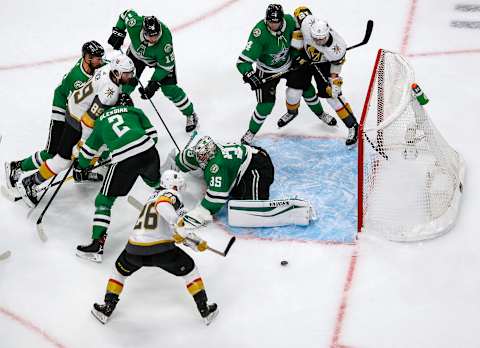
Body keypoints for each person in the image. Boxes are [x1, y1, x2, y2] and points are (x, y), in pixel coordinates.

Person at [91, 170, 218, 326]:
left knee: (118, 272)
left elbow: (175, 231)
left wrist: (194, 241)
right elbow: (165, 208)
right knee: (190, 270)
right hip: (162, 251)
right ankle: (204, 309)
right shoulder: (171, 194)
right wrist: (177, 224)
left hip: (133, 251)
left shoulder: (152, 197)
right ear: (174, 185)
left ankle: (107, 308)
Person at [17, 54, 136, 208]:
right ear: (117, 73)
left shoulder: (107, 68)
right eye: (127, 74)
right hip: (78, 119)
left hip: (75, 105)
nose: (130, 76)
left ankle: (83, 170)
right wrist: (82, 145)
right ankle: (30, 183)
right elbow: (89, 120)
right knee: (65, 160)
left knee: (98, 145)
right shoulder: (110, 92)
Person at [4, 41, 105, 195]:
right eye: (98, 58)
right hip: (64, 108)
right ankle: (17, 167)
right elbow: (78, 107)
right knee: (53, 152)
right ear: (87, 58)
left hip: (76, 111)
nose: (101, 61)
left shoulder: (95, 67)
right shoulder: (77, 78)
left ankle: (82, 170)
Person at [75, 94, 161, 263]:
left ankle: (96, 245)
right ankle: (174, 208)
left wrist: (81, 165)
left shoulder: (101, 121)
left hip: (125, 161)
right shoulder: (135, 111)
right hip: (149, 152)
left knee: (104, 200)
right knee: (155, 184)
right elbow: (154, 136)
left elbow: (86, 155)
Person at [237, 4, 332, 145]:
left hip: (290, 64)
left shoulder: (290, 21)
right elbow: (242, 62)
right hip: (267, 70)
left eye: (276, 22)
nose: (273, 25)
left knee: (307, 90)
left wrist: (309, 51)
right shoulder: (259, 33)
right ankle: (251, 132)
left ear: (281, 20)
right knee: (265, 106)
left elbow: (307, 33)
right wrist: (250, 75)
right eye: (270, 22)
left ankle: (320, 113)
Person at [107, 9, 198, 132]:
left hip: (159, 63)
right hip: (135, 56)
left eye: (157, 35)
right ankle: (117, 118)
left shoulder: (165, 43)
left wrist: (153, 84)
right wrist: (118, 31)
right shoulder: (135, 24)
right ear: (144, 31)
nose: (154, 38)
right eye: (151, 35)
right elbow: (124, 15)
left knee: (169, 89)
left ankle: (190, 113)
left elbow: (165, 67)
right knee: (126, 85)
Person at [280, 8, 359, 146]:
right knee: (293, 91)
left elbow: (335, 68)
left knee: (333, 96)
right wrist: (297, 53)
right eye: (315, 38)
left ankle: (352, 125)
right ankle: (292, 112)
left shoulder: (337, 48)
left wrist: (334, 82)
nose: (318, 41)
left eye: (321, 39)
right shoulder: (307, 24)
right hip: (305, 59)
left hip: (323, 64)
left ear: (327, 34)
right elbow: (300, 11)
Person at [173, 135, 275, 227]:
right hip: (243, 160)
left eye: (203, 157)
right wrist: (176, 166)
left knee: (252, 207)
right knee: (233, 190)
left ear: (211, 153)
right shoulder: (202, 152)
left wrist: (200, 213)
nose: (201, 160)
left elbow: (217, 197)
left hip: (257, 164)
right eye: (199, 156)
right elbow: (184, 157)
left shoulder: (217, 165)